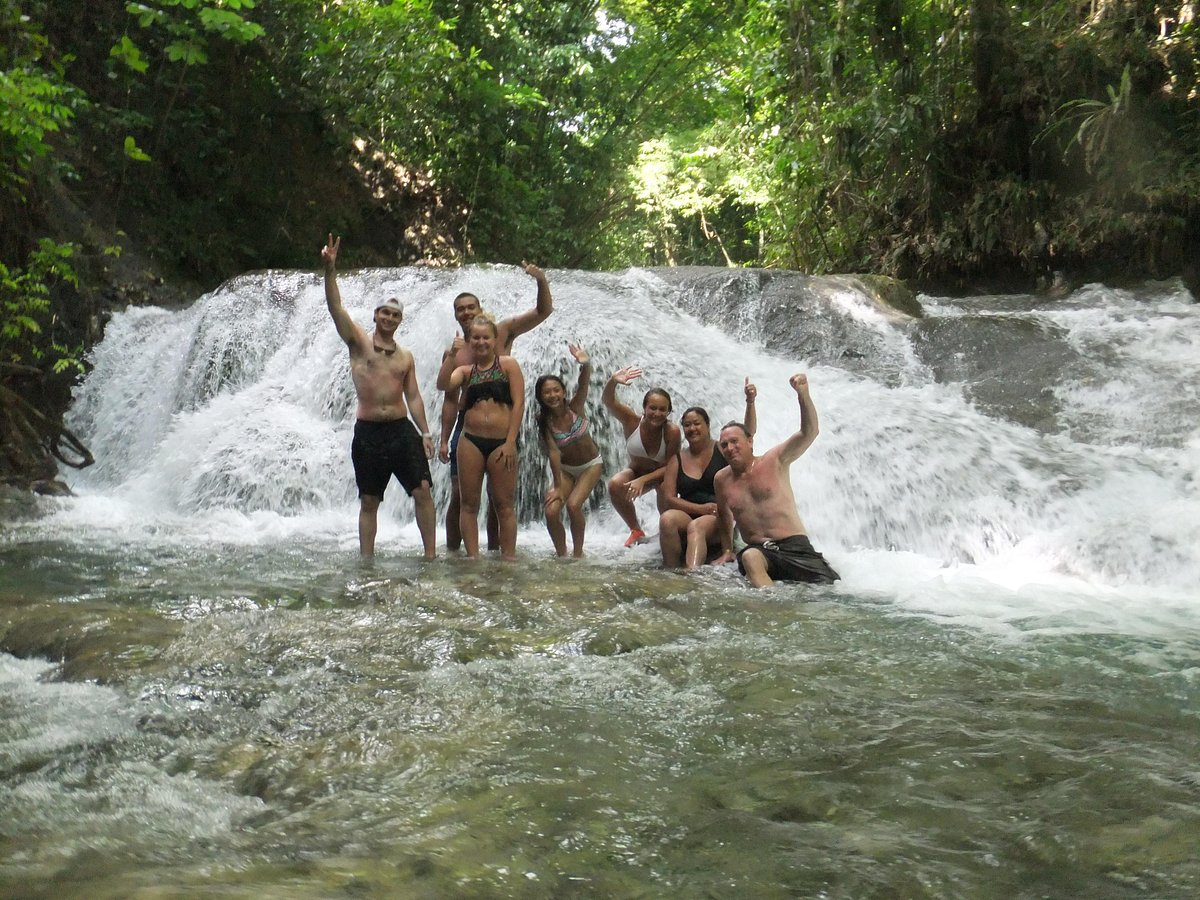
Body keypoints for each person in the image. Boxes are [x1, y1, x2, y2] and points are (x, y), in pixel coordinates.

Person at [321, 234, 436, 559]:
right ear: (376, 316)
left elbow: (413, 396)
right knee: (369, 499)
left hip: (401, 430)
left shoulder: (405, 357)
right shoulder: (358, 342)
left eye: (395, 315)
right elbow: (336, 308)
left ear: (400, 321)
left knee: (423, 491)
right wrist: (330, 269)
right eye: (384, 313)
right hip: (369, 432)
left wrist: (425, 431)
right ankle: (367, 559)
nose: (388, 318)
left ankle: (430, 555)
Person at [439, 265, 553, 553]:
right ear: (456, 315)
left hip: (504, 428)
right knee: (460, 495)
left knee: (499, 500)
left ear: (480, 309)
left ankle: (498, 553)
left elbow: (543, 311)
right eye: (460, 309)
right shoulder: (456, 352)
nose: (465, 312)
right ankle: (455, 553)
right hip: (468, 427)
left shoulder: (502, 332)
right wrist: (442, 437)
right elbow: (449, 397)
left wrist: (540, 280)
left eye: (470, 307)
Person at [713, 374, 840, 587]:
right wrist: (727, 549)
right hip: (760, 552)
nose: (729, 448)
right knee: (750, 557)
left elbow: (809, 432)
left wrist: (803, 395)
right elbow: (724, 516)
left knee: (833, 589)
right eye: (724, 445)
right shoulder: (721, 479)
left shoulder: (774, 460)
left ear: (750, 441)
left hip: (796, 547)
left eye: (734, 442)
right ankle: (771, 608)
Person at [436, 314, 525, 560]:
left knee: (504, 505)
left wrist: (510, 442)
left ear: (495, 340)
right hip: (470, 441)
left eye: (486, 337)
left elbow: (519, 404)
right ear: (468, 341)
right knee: (468, 504)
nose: (481, 342)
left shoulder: (508, 366)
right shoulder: (465, 370)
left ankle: (508, 558)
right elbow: (443, 385)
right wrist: (451, 356)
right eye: (475, 338)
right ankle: (473, 558)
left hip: (501, 443)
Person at [658, 378, 758, 569]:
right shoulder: (677, 459)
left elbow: (748, 434)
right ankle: (670, 570)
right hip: (690, 513)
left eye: (697, 423)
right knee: (667, 519)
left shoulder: (722, 448)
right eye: (687, 425)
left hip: (719, 516)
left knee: (697, 527)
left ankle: (692, 574)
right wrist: (700, 509)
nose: (692, 429)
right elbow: (669, 498)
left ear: (707, 425)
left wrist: (750, 402)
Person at [534, 344, 604, 558]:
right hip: (565, 470)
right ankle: (562, 554)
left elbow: (584, 384)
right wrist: (556, 486)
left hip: (590, 465)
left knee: (573, 506)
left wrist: (585, 364)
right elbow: (554, 454)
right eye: (547, 392)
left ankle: (578, 554)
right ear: (541, 396)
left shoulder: (576, 408)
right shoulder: (544, 422)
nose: (552, 395)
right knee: (551, 510)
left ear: (564, 392)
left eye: (556, 390)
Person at [602, 367, 681, 548]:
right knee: (615, 484)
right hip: (637, 472)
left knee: (664, 486)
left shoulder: (672, 431)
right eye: (652, 408)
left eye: (663, 409)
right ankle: (636, 530)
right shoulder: (630, 420)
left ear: (669, 412)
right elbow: (608, 401)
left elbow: (671, 466)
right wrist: (613, 381)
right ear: (644, 408)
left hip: (663, 477)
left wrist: (644, 480)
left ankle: (667, 530)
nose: (657, 413)